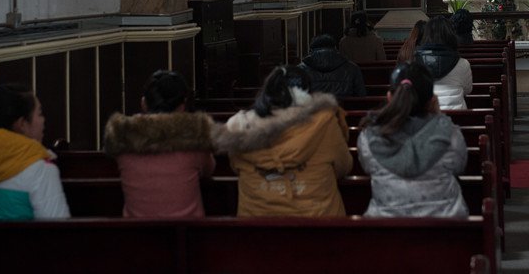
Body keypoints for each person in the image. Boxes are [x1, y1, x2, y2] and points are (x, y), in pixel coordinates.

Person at [211, 65, 352, 217]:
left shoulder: (239, 127)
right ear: (307, 94)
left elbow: (235, 166)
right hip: (319, 228)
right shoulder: (324, 123)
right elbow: (343, 167)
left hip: (255, 232)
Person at [358, 61, 468, 218]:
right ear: (432, 101)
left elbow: (367, 168)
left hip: (385, 231)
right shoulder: (451, 133)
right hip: (445, 229)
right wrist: (438, 118)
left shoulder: (368, 138)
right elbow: (459, 167)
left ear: (390, 97)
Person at [103, 70, 215, 218]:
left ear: (143, 103)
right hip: (187, 234)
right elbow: (209, 170)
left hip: (135, 235)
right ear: (183, 106)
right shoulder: (195, 138)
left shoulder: (124, 137)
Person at [0, 85, 70, 220]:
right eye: (39, 113)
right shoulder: (41, 170)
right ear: (22, 123)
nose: (43, 120)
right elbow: (59, 231)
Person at [412, 16, 473, 110]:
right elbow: (467, 90)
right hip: (458, 117)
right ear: (451, 35)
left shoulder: (416, 63)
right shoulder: (463, 64)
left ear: (427, 35)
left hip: (428, 116)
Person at [300, 34, 367, 97]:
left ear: (311, 49)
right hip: (343, 108)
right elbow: (361, 95)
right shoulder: (352, 68)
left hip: (312, 109)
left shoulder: (301, 69)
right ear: (335, 48)